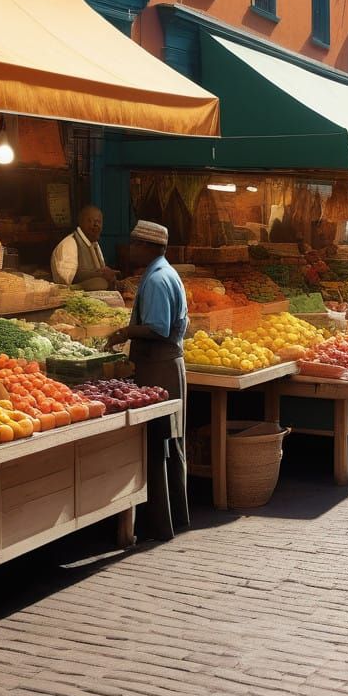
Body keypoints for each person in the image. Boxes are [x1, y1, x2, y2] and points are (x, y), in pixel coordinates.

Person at [107, 220, 189, 540]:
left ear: (147, 247)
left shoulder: (156, 279)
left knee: (157, 443)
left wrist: (124, 332)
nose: (131, 249)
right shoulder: (167, 272)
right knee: (171, 442)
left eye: (135, 244)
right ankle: (174, 517)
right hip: (168, 365)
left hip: (158, 367)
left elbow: (158, 327)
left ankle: (159, 524)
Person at [50, 205, 119, 290]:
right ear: (81, 222)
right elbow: (67, 280)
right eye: (90, 221)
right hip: (70, 293)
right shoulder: (69, 244)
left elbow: (101, 272)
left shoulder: (94, 244)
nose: (96, 225)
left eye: (99, 222)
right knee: (100, 283)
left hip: (92, 292)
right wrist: (100, 274)